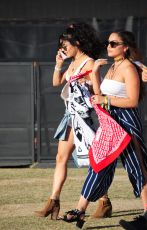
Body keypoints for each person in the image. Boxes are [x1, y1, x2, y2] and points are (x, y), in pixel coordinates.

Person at [61, 31, 147, 230]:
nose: (108, 46)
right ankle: (80, 209)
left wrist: (105, 100)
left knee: (137, 168)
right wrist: (94, 75)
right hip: (110, 122)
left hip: (126, 123)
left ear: (125, 47)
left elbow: (133, 101)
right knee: (99, 164)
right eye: (107, 43)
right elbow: (100, 95)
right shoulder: (112, 66)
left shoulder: (128, 67)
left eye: (113, 43)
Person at [34, 22, 112, 220]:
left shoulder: (89, 62)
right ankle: (54, 200)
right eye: (61, 45)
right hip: (70, 117)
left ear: (77, 42)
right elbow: (55, 82)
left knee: (94, 162)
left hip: (86, 119)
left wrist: (87, 81)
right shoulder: (72, 63)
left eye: (65, 44)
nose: (62, 48)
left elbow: (98, 91)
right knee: (61, 158)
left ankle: (104, 201)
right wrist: (59, 64)